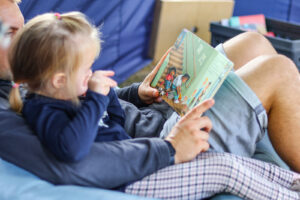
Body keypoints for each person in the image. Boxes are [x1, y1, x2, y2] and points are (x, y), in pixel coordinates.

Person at [1, 0, 300, 199]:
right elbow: (72, 162)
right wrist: (169, 147)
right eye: (12, 32)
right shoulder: (10, 112)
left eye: (24, 26)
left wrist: (135, 94)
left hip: (153, 121)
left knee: (253, 42)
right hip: (160, 145)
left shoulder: (29, 80)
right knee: (279, 71)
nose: (26, 40)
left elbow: (80, 103)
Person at [9, 12, 131, 162]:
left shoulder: (72, 92)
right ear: (60, 80)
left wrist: (108, 95)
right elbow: (72, 150)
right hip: (119, 174)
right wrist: (97, 99)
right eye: (86, 68)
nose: (90, 73)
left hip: (128, 153)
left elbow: (116, 124)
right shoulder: (43, 110)